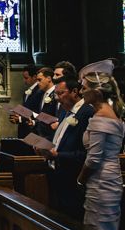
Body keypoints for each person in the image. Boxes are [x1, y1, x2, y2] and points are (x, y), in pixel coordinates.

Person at [77, 62, 125, 230]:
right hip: (111, 178)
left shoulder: (100, 118)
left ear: (96, 93)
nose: (81, 92)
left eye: (84, 88)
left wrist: (80, 180)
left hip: (101, 182)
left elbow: (94, 160)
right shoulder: (114, 114)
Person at [36, 77, 92, 221]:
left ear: (74, 92)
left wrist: (58, 155)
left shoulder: (86, 112)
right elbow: (58, 136)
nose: (58, 99)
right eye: (56, 95)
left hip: (72, 175)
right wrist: (43, 143)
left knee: (73, 220)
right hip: (56, 173)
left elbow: (86, 153)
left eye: (61, 94)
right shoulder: (64, 111)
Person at [9, 63, 44, 139]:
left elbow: (37, 112)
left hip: (32, 130)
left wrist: (21, 119)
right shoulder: (27, 92)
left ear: (34, 77)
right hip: (24, 130)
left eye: (26, 78)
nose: (24, 80)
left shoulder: (40, 91)